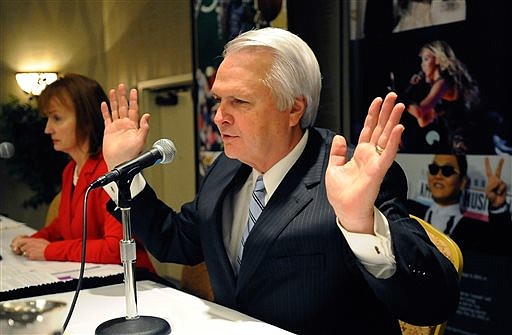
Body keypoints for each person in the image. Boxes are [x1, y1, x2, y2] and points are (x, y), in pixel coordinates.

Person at [100, 28, 459, 334]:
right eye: (218, 100)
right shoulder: (228, 167)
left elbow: (433, 304)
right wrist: (123, 168)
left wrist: (361, 225)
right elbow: (175, 242)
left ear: (294, 109)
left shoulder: (351, 174)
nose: (219, 117)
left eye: (239, 101)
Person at [10, 73, 155, 272]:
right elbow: (64, 226)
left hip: (132, 283)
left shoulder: (110, 170)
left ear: (86, 121)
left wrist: (50, 250)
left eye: (57, 118)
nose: (47, 129)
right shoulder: (71, 170)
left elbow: (115, 248)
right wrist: (34, 241)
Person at [407, 154, 511, 254]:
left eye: (447, 171)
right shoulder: (408, 211)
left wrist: (498, 205)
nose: (438, 176)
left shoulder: (474, 230)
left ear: (462, 182)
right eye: (434, 169)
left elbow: (501, 248)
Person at [401, 40, 480, 153]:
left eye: (426, 59)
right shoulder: (437, 86)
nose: (422, 65)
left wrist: (400, 98)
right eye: (422, 60)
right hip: (454, 138)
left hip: (464, 139)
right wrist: (414, 90)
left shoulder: (443, 83)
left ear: (437, 60)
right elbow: (423, 121)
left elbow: (419, 112)